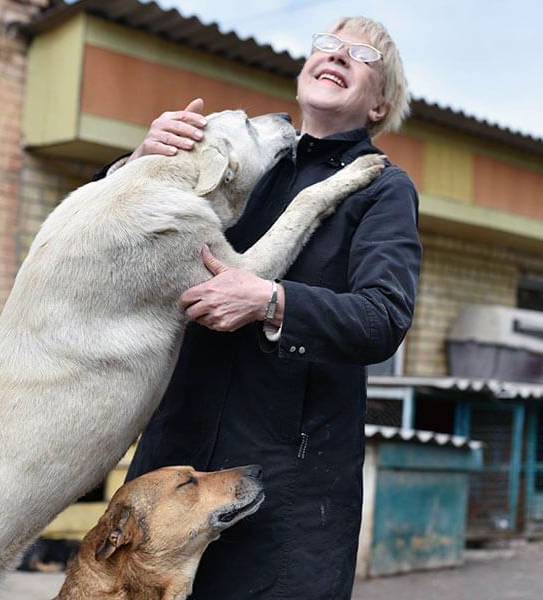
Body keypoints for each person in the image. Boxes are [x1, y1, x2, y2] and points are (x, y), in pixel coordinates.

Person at [96, 16, 422, 600]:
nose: (338, 55)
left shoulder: (382, 190)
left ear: (380, 105)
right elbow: (117, 238)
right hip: (177, 471)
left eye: (361, 54)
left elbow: (383, 319)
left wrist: (273, 300)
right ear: (303, 72)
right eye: (327, 45)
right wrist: (141, 162)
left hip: (289, 487)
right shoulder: (244, 159)